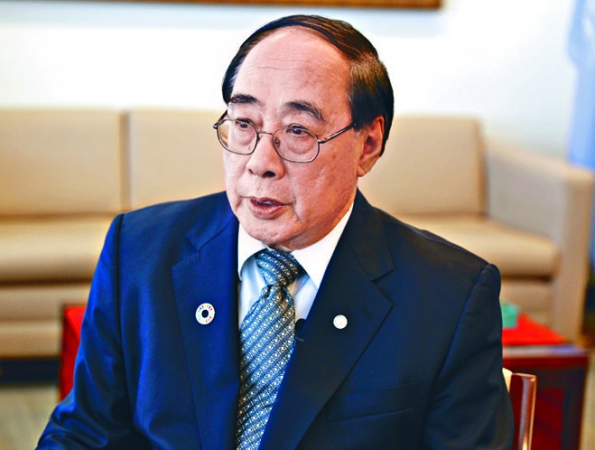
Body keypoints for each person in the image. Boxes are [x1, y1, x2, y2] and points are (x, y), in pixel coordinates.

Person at [37, 14, 513, 449]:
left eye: (299, 131)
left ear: (368, 144)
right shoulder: (140, 250)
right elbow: (86, 432)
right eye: (244, 123)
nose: (260, 162)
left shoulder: (449, 296)